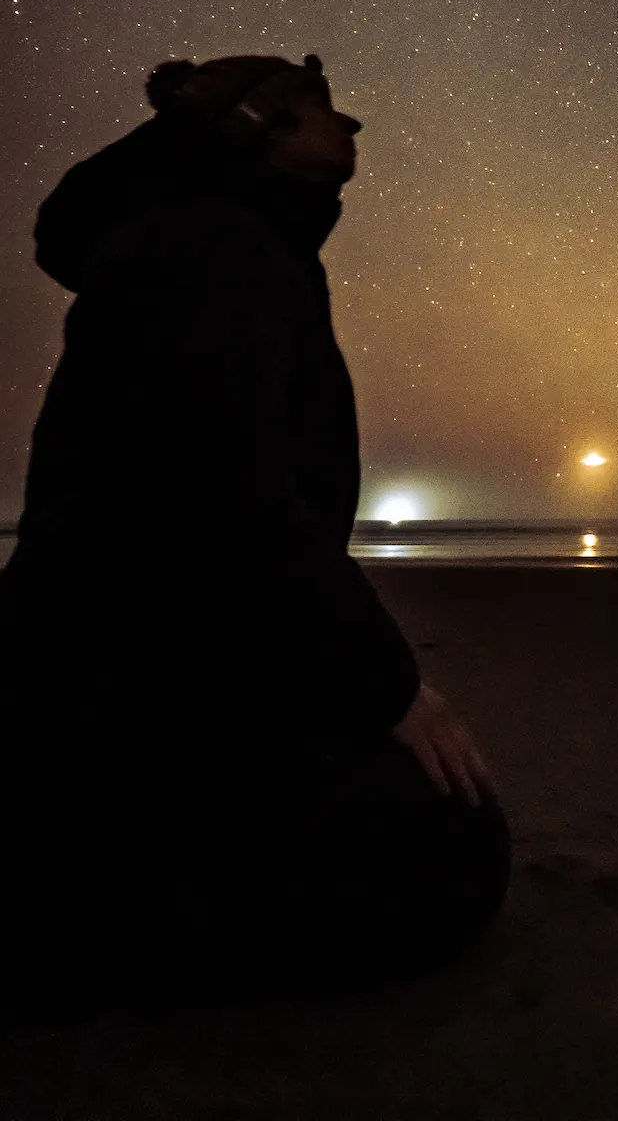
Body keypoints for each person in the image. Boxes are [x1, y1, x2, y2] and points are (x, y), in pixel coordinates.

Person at [0, 54, 509, 1003]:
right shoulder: (209, 253)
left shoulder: (218, 246)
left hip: (160, 664)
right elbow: (228, 493)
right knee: (445, 853)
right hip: (119, 683)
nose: (351, 127)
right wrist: (389, 686)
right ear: (259, 129)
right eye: (324, 110)